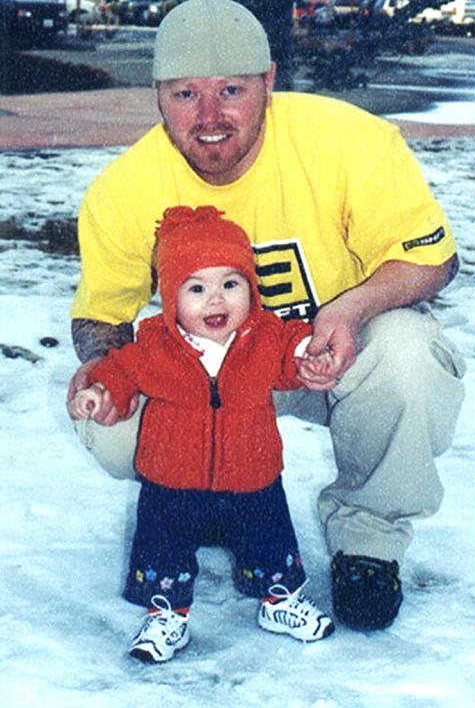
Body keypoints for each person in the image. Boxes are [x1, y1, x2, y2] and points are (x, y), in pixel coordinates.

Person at [66, 0, 466, 632]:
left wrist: (352, 307)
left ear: (269, 82)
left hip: (325, 362)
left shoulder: (347, 142)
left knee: (408, 354)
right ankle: (205, 503)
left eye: (231, 90)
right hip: (205, 379)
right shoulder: (124, 188)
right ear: (156, 95)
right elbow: (102, 317)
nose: (210, 117)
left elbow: (435, 262)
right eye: (184, 95)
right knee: (112, 425)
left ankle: (367, 541)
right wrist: (101, 374)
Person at [69, 206, 335, 662]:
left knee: (268, 537)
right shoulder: (155, 344)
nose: (216, 300)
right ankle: (167, 613)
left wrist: (308, 356)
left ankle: (279, 599)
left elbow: (294, 349)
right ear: (172, 298)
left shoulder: (265, 336)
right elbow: (121, 370)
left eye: (230, 284)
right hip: (171, 477)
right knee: (163, 545)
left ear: (251, 289)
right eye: (197, 288)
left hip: (252, 472)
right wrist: (99, 391)